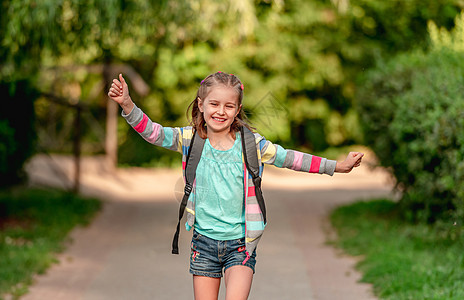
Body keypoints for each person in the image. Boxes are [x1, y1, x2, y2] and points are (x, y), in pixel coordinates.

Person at [108, 72, 363, 300]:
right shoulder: (189, 139)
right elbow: (153, 132)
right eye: (214, 104)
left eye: (229, 106)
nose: (221, 111)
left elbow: (292, 159)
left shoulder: (251, 144)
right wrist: (128, 105)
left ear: (237, 109)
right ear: (201, 105)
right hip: (204, 243)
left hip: (241, 244)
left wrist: (337, 166)